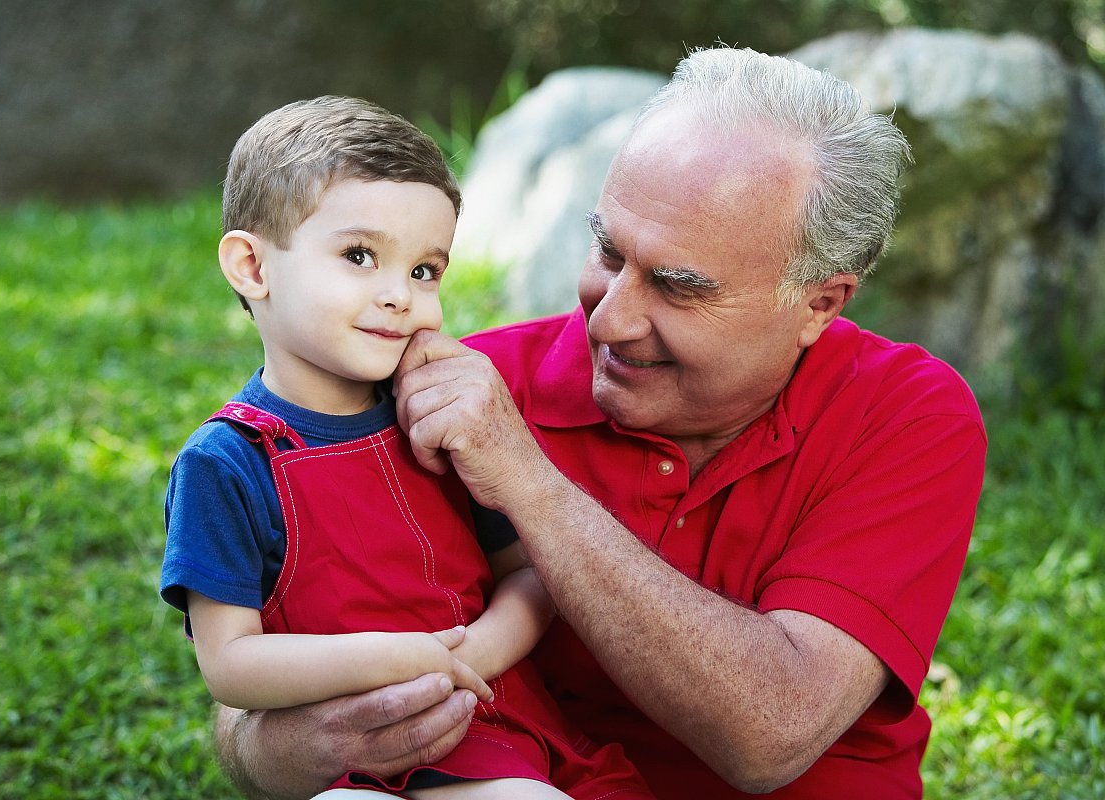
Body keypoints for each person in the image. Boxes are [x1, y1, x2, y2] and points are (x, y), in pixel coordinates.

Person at [214, 48, 988, 800]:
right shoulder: (455, 396)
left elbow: (772, 734)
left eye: (680, 288)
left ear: (818, 304)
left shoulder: (904, 414)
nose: (609, 320)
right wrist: (293, 748)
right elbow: (253, 705)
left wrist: (527, 483)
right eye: (609, 252)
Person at [160, 96, 654, 799]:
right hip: (340, 743)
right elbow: (232, 665)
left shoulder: (442, 417)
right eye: (360, 256)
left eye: (425, 270)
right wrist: (398, 658)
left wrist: (475, 651)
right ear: (252, 266)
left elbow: (533, 575)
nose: (399, 295)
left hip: (483, 723)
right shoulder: (227, 462)